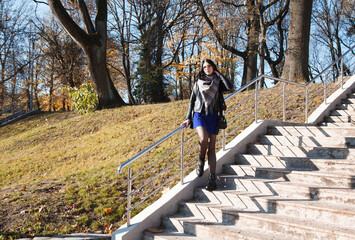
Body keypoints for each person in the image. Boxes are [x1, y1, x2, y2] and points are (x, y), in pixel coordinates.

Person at [181, 59, 233, 191]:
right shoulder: (198, 82)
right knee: (203, 138)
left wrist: (219, 74)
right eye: (204, 67)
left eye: (209, 66)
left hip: (213, 115)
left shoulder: (217, 81)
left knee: (212, 146)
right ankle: (200, 161)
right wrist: (188, 118)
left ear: (213, 67)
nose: (206, 69)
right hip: (199, 114)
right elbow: (192, 100)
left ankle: (212, 178)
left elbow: (230, 87)